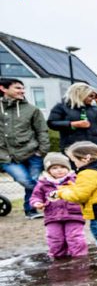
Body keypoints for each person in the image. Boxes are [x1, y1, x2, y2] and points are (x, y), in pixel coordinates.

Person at [54, 141, 97, 267]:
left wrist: (61, 192)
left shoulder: (87, 173)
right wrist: (73, 187)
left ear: (86, 158)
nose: (74, 164)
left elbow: (79, 196)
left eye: (74, 160)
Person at [0, 78, 50, 219]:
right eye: (17, 88)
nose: (22, 91)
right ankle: (49, 198)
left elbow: (42, 131)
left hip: (32, 153)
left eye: (22, 88)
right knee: (27, 181)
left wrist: (42, 151)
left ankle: (31, 211)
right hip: (6, 155)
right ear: (3, 89)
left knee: (32, 181)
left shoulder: (32, 110)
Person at [29, 152, 87, 259]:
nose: (59, 170)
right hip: (52, 216)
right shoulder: (43, 183)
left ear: (68, 167)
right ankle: (58, 257)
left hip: (74, 214)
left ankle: (79, 258)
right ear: (48, 170)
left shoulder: (75, 179)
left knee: (75, 237)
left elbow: (84, 193)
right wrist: (36, 203)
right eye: (55, 168)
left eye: (62, 167)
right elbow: (35, 196)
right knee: (55, 238)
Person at [47, 82, 97, 155]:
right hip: (74, 149)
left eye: (94, 96)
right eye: (90, 96)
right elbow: (52, 123)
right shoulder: (61, 107)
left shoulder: (94, 108)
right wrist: (73, 124)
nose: (92, 99)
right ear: (81, 94)